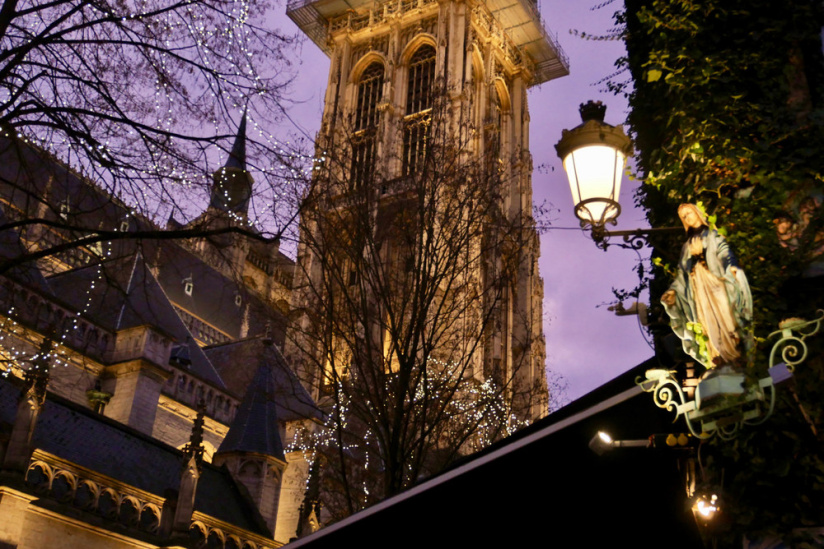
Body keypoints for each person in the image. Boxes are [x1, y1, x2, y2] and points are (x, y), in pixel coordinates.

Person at [662, 204, 752, 368]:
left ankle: (735, 355)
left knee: (726, 317)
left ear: (697, 213)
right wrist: (673, 292)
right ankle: (717, 356)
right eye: (684, 216)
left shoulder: (712, 236)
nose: (687, 217)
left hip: (717, 284)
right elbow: (682, 274)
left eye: (689, 213)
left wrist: (730, 266)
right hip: (699, 290)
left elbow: (725, 253)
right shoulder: (686, 247)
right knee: (707, 323)